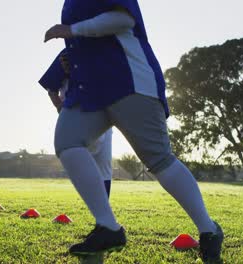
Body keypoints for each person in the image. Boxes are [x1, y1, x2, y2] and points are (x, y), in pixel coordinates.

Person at [43, 1, 224, 262]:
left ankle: (209, 230)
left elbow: (123, 20)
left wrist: (72, 29)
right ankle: (108, 227)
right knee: (67, 142)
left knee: (158, 159)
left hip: (128, 79)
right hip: (89, 88)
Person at [39, 50, 113, 197]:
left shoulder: (109, 51)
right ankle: (99, 211)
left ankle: (104, 215)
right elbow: (51, 88)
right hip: (78, 113)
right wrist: (61, 109)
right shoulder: (70, 51)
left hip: (104, 114)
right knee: (83, 162)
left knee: (104, 166)